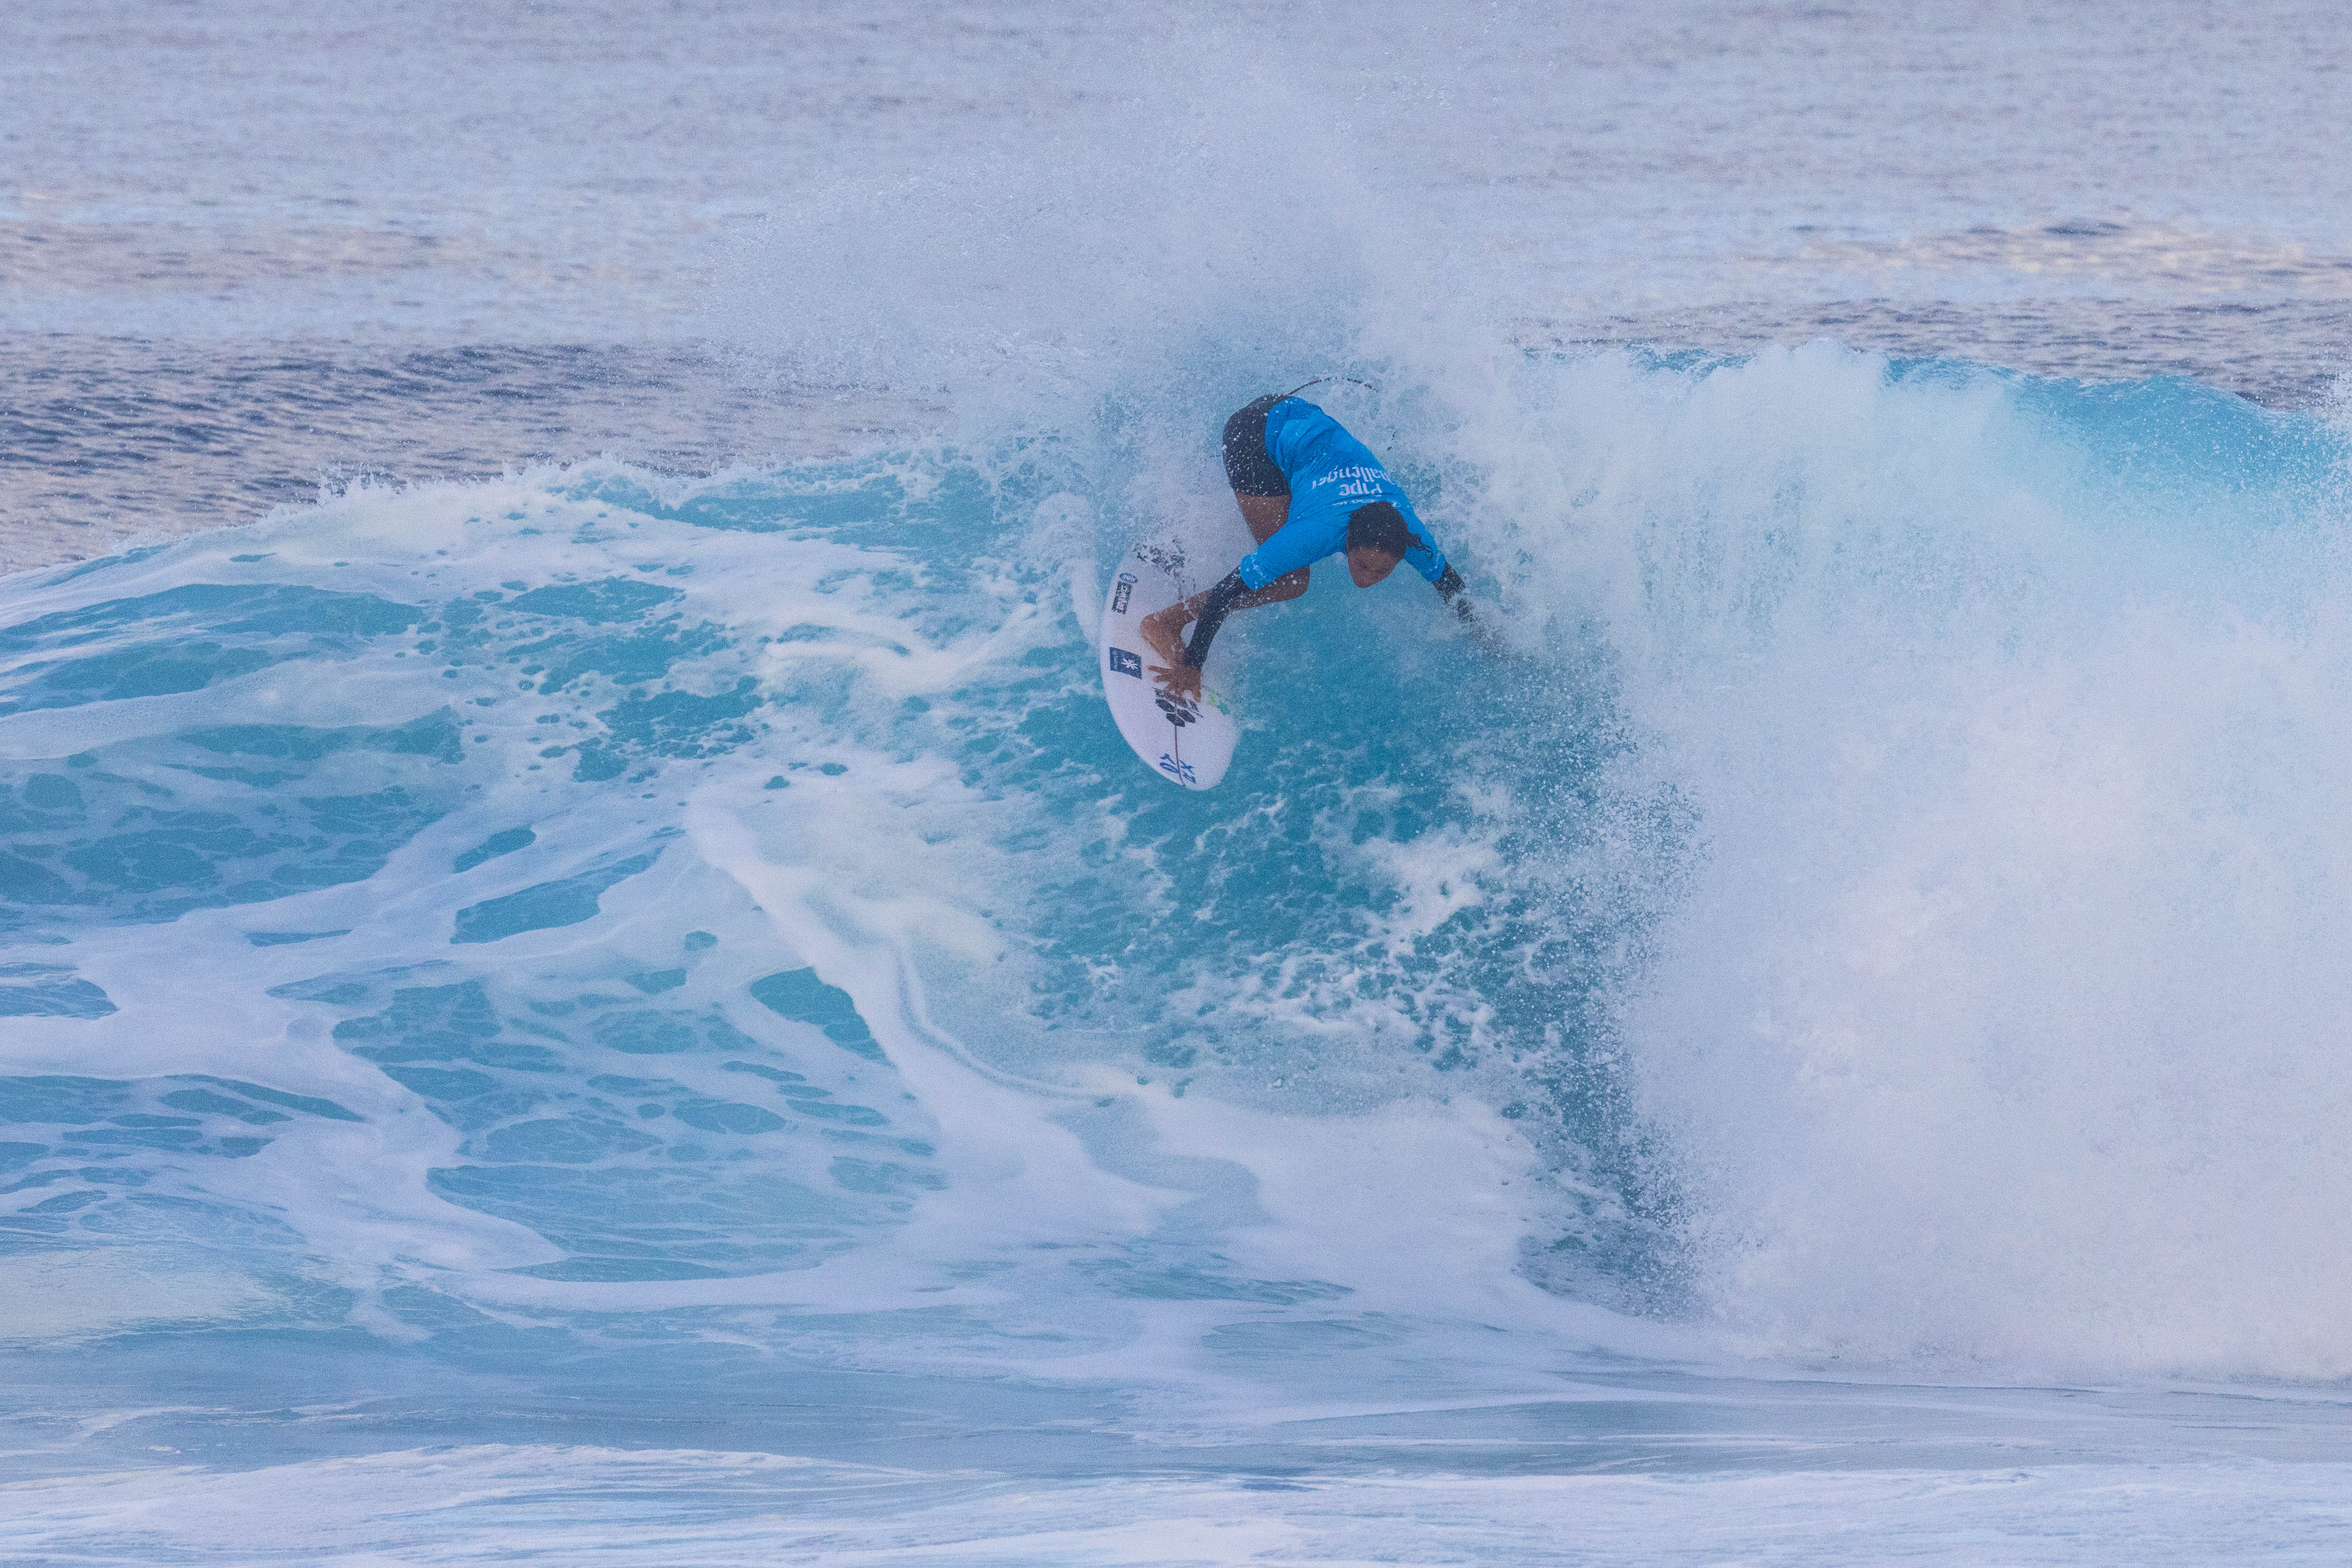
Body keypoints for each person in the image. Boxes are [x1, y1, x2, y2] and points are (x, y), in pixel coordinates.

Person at [1139, 389, 1487, 698]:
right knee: (1292, 580)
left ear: (1404, 555)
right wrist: (1193, 665)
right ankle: (1165, 622)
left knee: (1283, 527)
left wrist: (1482, 634)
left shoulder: (1410, 537)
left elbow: (1449, 583)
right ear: (1347, 539)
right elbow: (1227, 591)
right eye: (1363, 564)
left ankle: (1190, 536)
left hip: (1298, 420)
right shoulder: (1318, 532)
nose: (1367, 577)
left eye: (1382, 570)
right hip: (1254, 439)